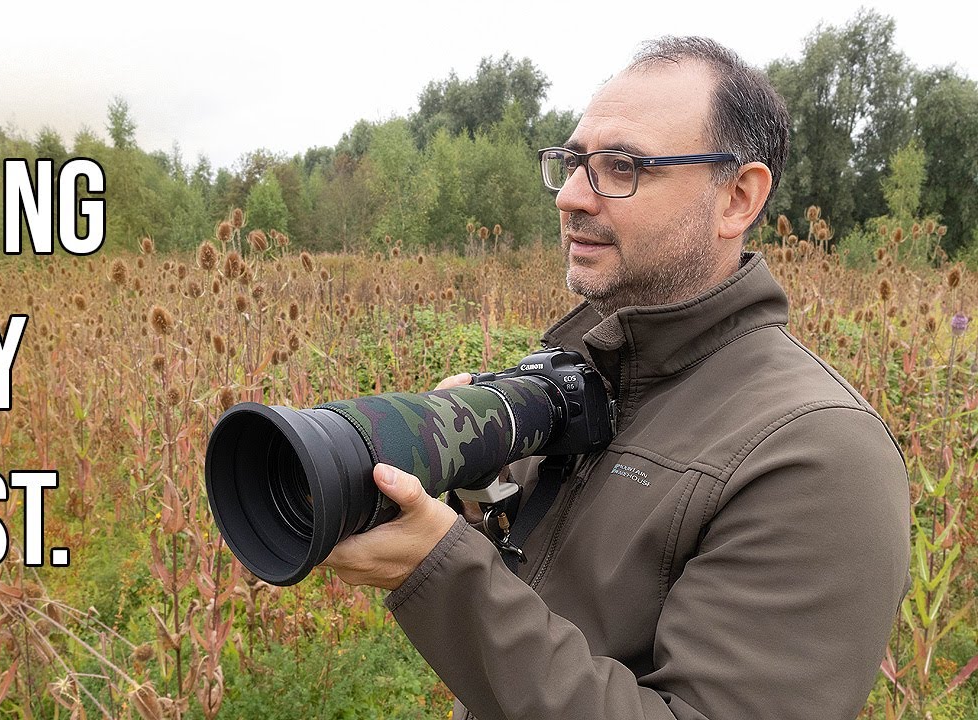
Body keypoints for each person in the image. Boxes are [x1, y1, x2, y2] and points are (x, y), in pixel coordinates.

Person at [319, 36, 910, 720]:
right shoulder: (588, 382)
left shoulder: (820, 455)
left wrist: (441, 573)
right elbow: (555, 620)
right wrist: (478, 503)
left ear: (737, 198)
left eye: (622, 166)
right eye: (573, 163)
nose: (571, 197)